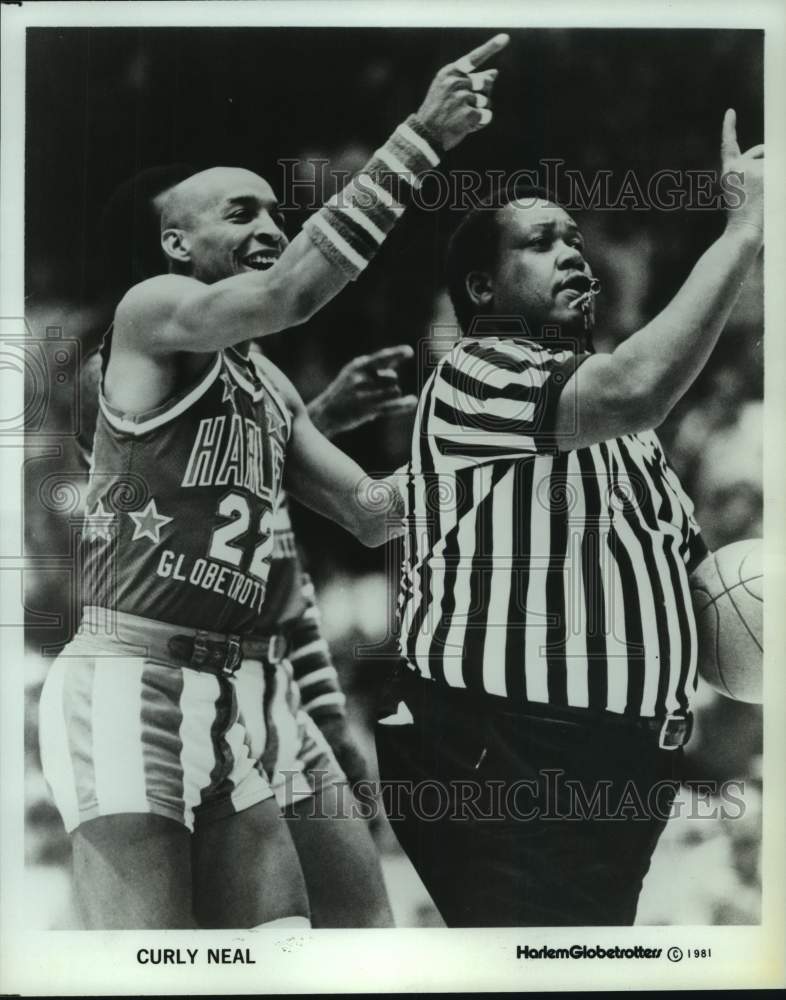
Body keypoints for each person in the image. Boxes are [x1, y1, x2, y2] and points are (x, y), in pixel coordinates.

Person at [37, 33, 510, 930]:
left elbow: (371, 514)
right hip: (133, 676)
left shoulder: (269, 382)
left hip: (241, 684)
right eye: (240, 214)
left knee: (296, 953)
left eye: (273, 215)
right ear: (175, 242)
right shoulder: (150, 313)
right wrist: (420, 137)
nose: (269, 228)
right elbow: (295, 292)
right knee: (146, 978)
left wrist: (501, 452)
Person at [375, 109, 763, 926]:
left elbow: (693, 579)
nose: (572, 254)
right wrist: (744, 233)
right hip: (509, 753)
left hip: (619, 762)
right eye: (543, 241)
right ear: (483, 288)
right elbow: (634, 387)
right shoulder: (474, 373)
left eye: (576, 241)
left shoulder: (627, 436)